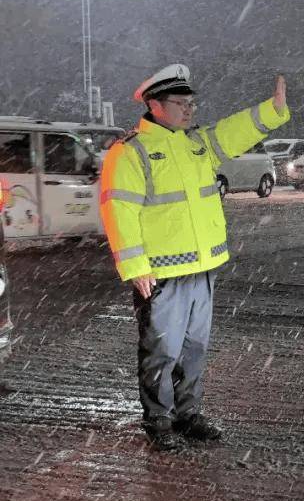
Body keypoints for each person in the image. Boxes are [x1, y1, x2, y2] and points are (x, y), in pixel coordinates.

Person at [100, 64, 292, 450]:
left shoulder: (195, 143)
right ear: (154, 105)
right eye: (180, 103)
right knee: (162, 351)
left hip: (201, 270)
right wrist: (136, 268)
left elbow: (235, 130)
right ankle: (159, 423)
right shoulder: (130, 152)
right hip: (161, 274)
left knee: (194, 350)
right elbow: (118, 211)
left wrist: (272, 109)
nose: (189, 109)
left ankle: (188, 414)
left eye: (192, 102)